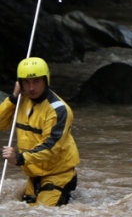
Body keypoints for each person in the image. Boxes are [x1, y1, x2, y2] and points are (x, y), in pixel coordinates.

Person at [0, 57, 79, 206]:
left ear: (45, 81)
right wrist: (13, 98)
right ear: (20, 84)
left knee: (41, 215)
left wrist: (19, 158)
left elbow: (51, 147)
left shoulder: (58, 110)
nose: (31, 88)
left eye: (36, 81)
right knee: (23, 215)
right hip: (35, 175)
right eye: (26, 82)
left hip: (58, 175)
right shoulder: (21, 100)